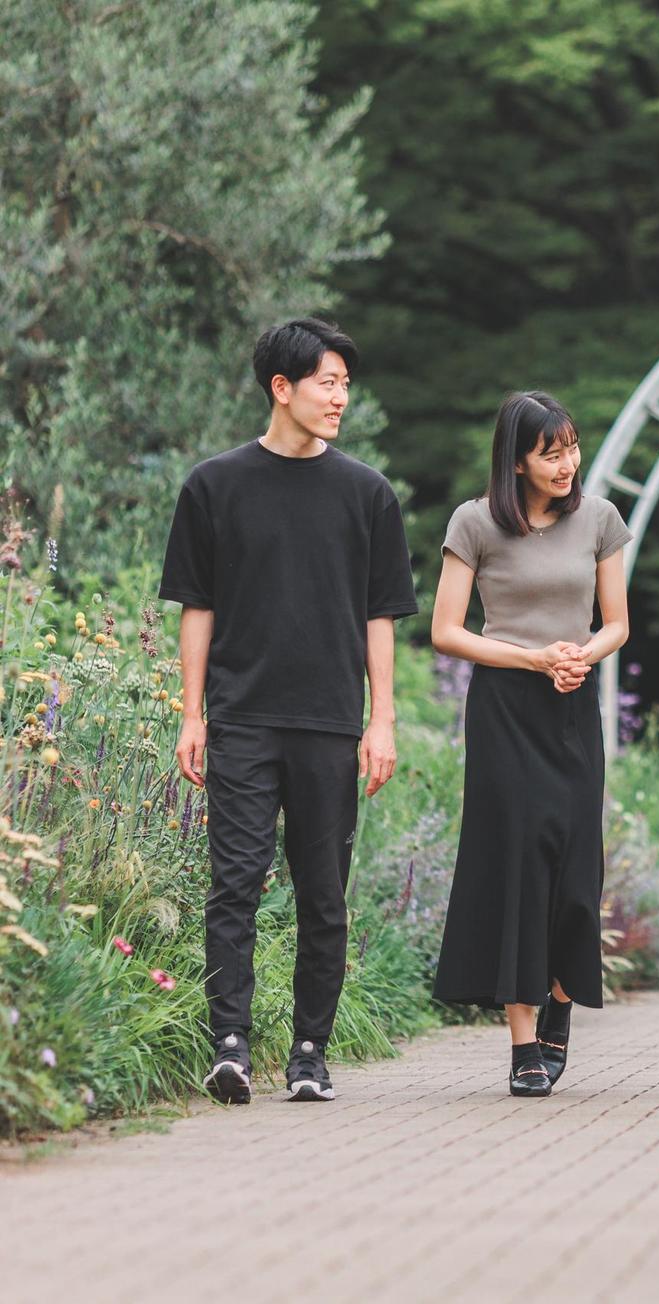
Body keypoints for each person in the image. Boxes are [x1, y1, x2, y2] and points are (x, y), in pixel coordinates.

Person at [161, 318, 419, 1104]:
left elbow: (380, 616)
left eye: (345, 384)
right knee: (234, 884)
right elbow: (197, 607)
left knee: (323, 896)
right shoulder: (214, 485)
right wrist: (193, 714)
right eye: (326, 383)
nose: (341, 398)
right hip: (241, 717)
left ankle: (310, 1054)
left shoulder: (367, 494)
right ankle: (230, 1047)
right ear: (282, 387)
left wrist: (382, 720)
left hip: (330, 722)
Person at [430, 392, 629, 1097]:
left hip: (572, 706)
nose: (566, 464)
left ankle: (560, 1005)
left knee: (575, 872)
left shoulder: (599, 518)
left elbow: (616, 623)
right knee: (518, 868)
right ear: (516, 460)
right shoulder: (474, 522)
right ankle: (523, 1045)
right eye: (551, 453)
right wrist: (533, 659)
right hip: (505, 712)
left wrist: (580, 657)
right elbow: (447, 631)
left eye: (571, 448)